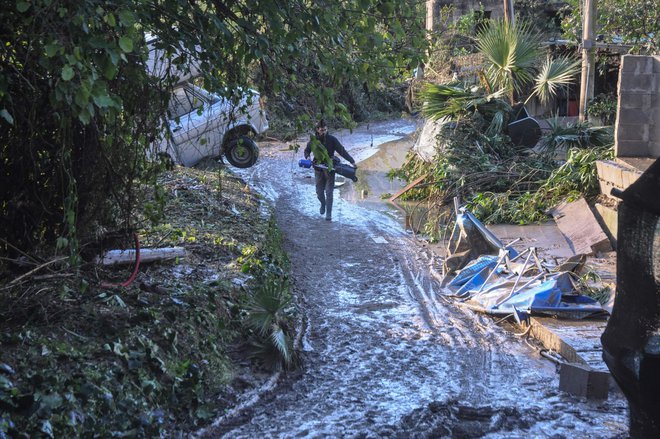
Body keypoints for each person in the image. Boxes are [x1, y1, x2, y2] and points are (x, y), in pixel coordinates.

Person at [303, 119, 356, 221]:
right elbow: (307, 151)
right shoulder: (313, 141)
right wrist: (308, 157)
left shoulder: (332, 140)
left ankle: (329, 214)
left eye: (325, 130)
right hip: (318, 169)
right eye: (322, 130)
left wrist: (352, 161)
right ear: (317, 130)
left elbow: (342, 151)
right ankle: (323, 203)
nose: (324, 132)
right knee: (319, 192)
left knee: (329, 192)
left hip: (330, 168)